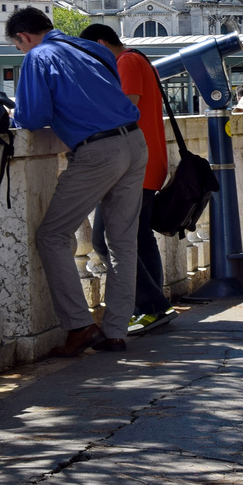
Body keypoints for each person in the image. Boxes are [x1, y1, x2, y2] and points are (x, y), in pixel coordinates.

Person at [6, 6, 144, 358]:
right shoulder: (93, 48)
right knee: (122, 243)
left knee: (51, 235)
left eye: (18, 47)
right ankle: (115, 331)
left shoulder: (37, 56)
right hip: (134, 141)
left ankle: (80, 326)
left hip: (98, 150)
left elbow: (32, 118)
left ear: (24, 37)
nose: (22, 52)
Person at [81, 24, 176, 336]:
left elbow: (125, 109)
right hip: (147, 162)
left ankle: (152, 306)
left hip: (135, 165)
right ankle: (151, 308)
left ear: (100, 43)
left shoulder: (127, 62)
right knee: (138, 238)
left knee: (105, 240)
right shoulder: (138, 59)